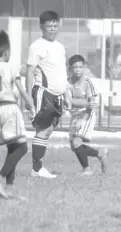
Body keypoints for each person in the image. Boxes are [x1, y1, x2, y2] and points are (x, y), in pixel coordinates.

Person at [26, 10, 69, 179]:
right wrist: (29, 97)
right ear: (41, 26)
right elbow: (30, 72)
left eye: (55, 25)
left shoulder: (59, 47)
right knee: (42, 130)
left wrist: (66, 94)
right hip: (44, 93)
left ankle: (38, 168)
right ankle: (37, 169)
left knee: (48, 130)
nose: (52, 29)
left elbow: (61, 72)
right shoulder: (36, 46)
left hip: (58, 95)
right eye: (49, 25)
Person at [0, 30, 33, 199]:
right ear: (7, 51)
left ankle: (9, 188)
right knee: (22, 147)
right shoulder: (10, 67)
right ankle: (2, 175)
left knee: (11, 146)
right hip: (9, 109)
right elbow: (20, 89)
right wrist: (30, 103)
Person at [66, 55, 108, 176]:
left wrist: (84, 118)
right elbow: (67, 101)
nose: (77, 69)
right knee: (75, 147)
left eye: (80, 67)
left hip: (86, 115)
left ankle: (87, 169)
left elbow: (92, 104)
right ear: (70, 68)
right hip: (75, 116)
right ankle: (100, 153)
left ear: (84, 67)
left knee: (76, 142)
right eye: (75, 67)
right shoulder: (68, 82)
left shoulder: (88, 82)